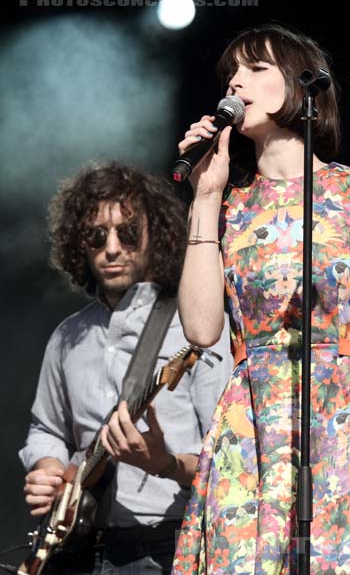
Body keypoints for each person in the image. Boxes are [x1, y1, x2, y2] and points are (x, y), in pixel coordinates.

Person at [172, 23, 350, 574]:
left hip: (341, 417)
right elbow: (202, 331)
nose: (236, 82)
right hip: (249, 423)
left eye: (255, 69)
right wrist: (205, 197)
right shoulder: (229, 205)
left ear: (301, 84)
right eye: (230, 73)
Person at [19, 161, 232, 575]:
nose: (112, 248)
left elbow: (225, 458)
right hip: (77, 547)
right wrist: (47, 470)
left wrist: (164, 463)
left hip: (167, 543)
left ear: (157, 234)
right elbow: (46, 429)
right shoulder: (68, 335)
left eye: (128, 233)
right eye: (97, 236)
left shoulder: (197, 327)